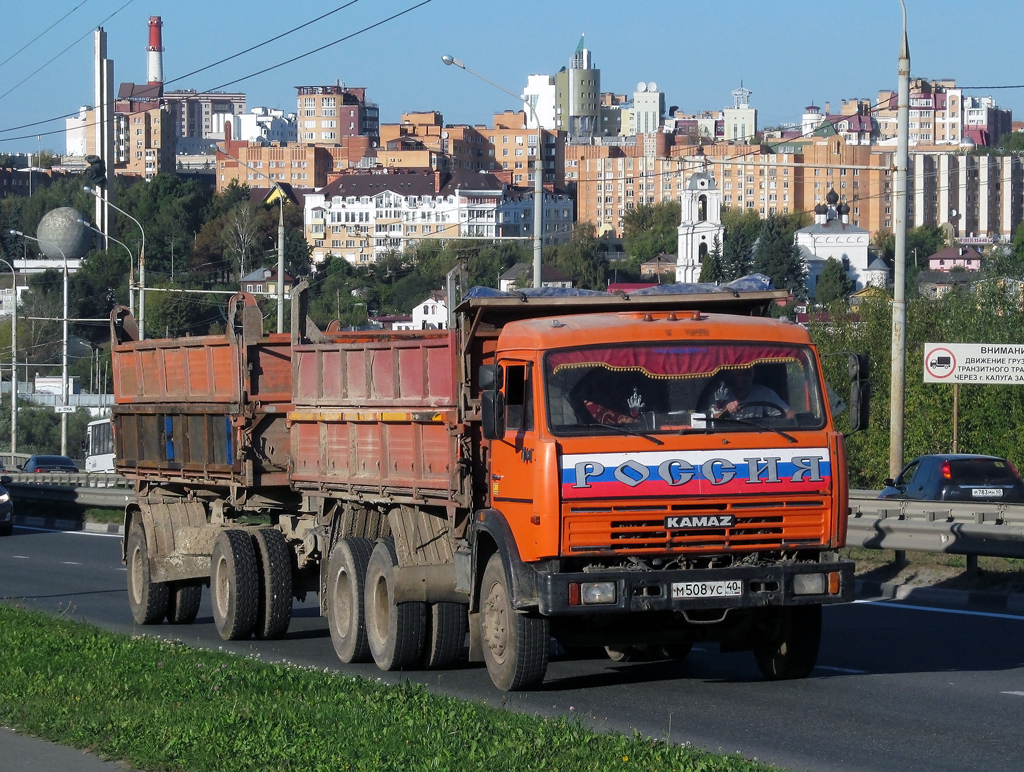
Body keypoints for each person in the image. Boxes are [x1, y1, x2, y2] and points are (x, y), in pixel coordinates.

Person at [708, 366, 794, 419]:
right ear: (732, 375)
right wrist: (726, 410)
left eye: (748, 373)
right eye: (740, 373)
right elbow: (711, 421)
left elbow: (790, 413)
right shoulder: (720, 393)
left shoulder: (763, 392)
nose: (745, 377)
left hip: (757, 438)